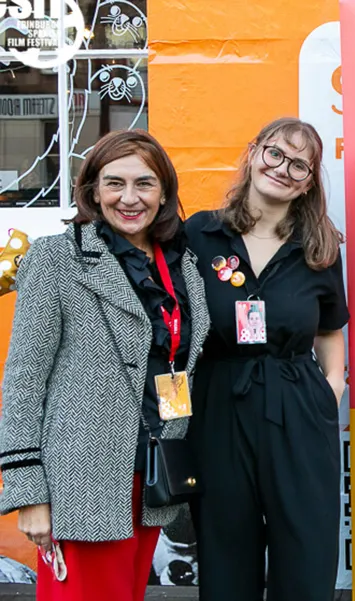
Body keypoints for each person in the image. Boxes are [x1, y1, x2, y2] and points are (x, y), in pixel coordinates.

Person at [0, 129, 210, 601]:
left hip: (152, 475)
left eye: (145, 184)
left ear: (164, 192)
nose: (129, 198)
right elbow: (24, 381)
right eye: (115, 183)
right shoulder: (57, 258)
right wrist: (28, 492)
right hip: (80, 481)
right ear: (92, 189)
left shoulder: (182, 264)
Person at [185, 117, 348, 601]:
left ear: (308, 183)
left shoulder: (318, 247)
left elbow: (329, 330)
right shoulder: (201, 234)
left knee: (306, 546)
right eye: (275, 153)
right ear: (254, 152)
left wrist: (328, 392)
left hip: (297, 403)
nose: (283, 169)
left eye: (300, 166)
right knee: (225, 544)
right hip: (219, 398)